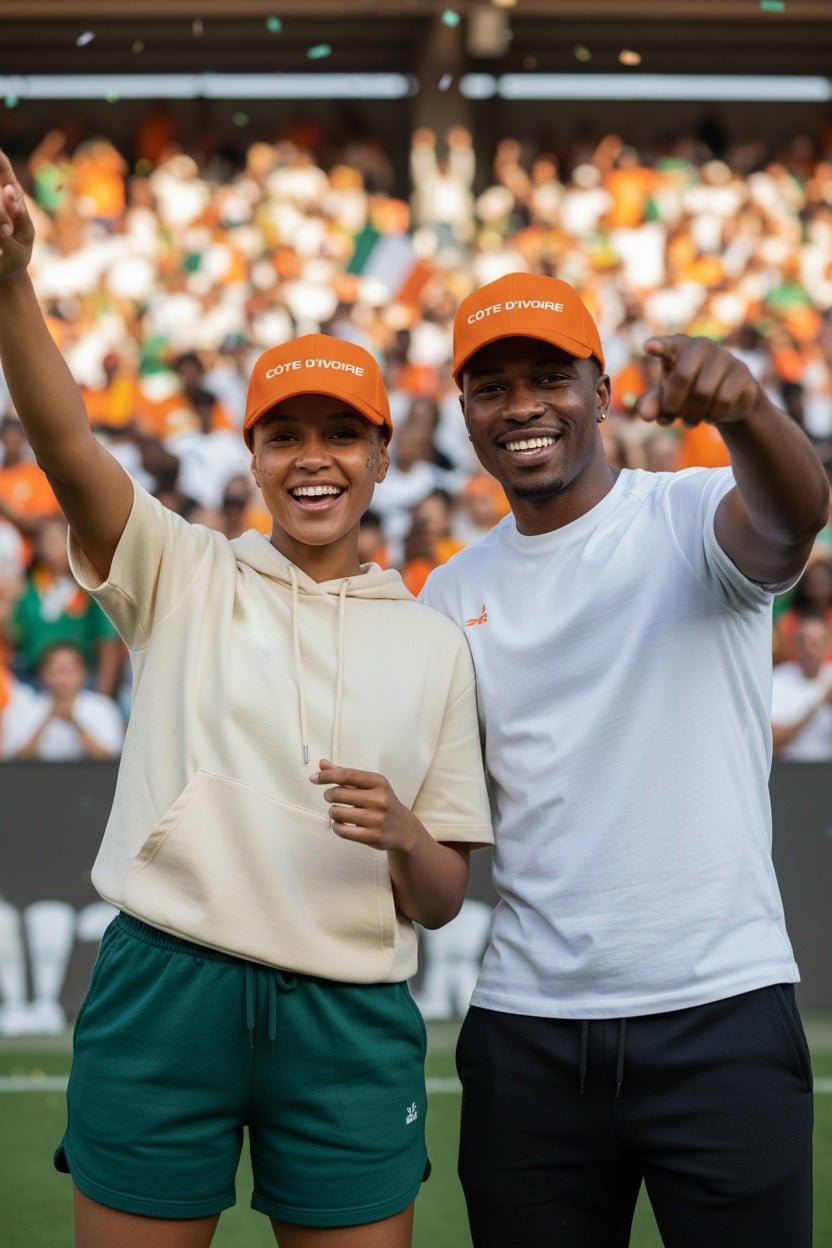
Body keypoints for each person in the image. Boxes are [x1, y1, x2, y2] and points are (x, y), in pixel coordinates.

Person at [0, 150, 492, 1248]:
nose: (312, 460)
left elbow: (442, 894)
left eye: (340, 436)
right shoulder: (183, 567)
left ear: (380, 455)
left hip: (349, 1013)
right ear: (254, 454)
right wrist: (9, 283)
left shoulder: (432, 643)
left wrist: (407, 834)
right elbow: (68, 445)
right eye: (285, 436)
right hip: (166, 983)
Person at [420, 270, 829, 1247]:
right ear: (465, 412)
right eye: (491, 385)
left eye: (548, 376)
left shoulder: (689, 513)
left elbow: (793, 516)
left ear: (602, 391)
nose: (522, 405)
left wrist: (744, 410)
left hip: (719, 1013)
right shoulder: (447, 592)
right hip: (525, 1032)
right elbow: (444, 831)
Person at [1, 640, 124, 761]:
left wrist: (75, 723)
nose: (61, 679)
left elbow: (111, 757)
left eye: (67, 671)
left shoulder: (103, 707)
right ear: (42, 674)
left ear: (83, 673)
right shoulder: (24, 706)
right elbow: (13, 759)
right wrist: (45, 720)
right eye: (54, 671)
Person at [771, 610, 832, 760]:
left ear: (826, 645)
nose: (809, 650)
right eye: (802, 641)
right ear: (795, 644)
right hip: (790, 772)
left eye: (815, 643)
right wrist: (818, 705)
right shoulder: (777, 679)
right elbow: (773, 741)